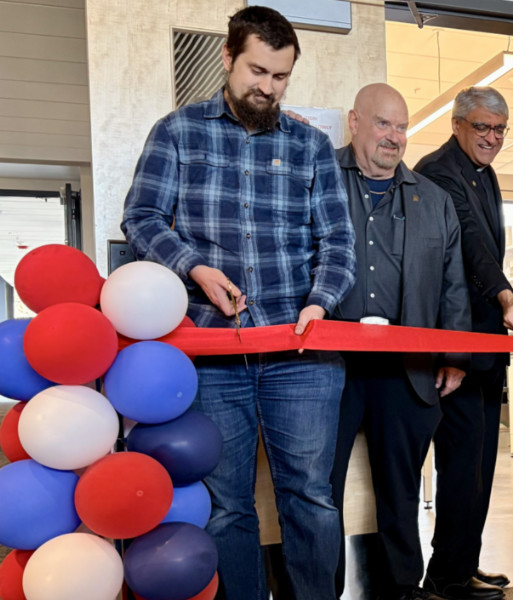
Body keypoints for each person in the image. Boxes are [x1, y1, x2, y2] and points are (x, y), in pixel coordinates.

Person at [120, 7, 355, 599]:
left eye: (280, 76)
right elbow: (141, 217)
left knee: (312, 498)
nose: (267, 87)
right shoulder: (176, 131)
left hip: (301, 353)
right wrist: (194, 268)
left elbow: (338, 241)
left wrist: (321, 303)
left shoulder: (312, 146)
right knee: (227, 505)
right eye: (257, 71)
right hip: (212, 354)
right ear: (227, 58)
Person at [326, 83, 471, 600]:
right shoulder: (318, 179)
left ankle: (402, 587)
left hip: (405, 366)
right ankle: (321, 587)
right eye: (382, 123)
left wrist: (455, 356)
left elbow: (453, 282)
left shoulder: (432, 200)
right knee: (319, 488)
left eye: (402, 126)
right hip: (329, 365)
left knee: (400, 486)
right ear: (354, 122)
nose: (394, 137)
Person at [413, 86, 513, 600]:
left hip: (486, 345)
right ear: (457, 124)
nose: (492, 138)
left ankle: (462, 563)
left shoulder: (482, 171)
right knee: (461, 465)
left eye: (500, 130)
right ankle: (446, 578)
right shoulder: (439, 170)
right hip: (456, 346)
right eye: (482, 127)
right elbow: (471, 248)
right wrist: (507, 296)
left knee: (480, 464)